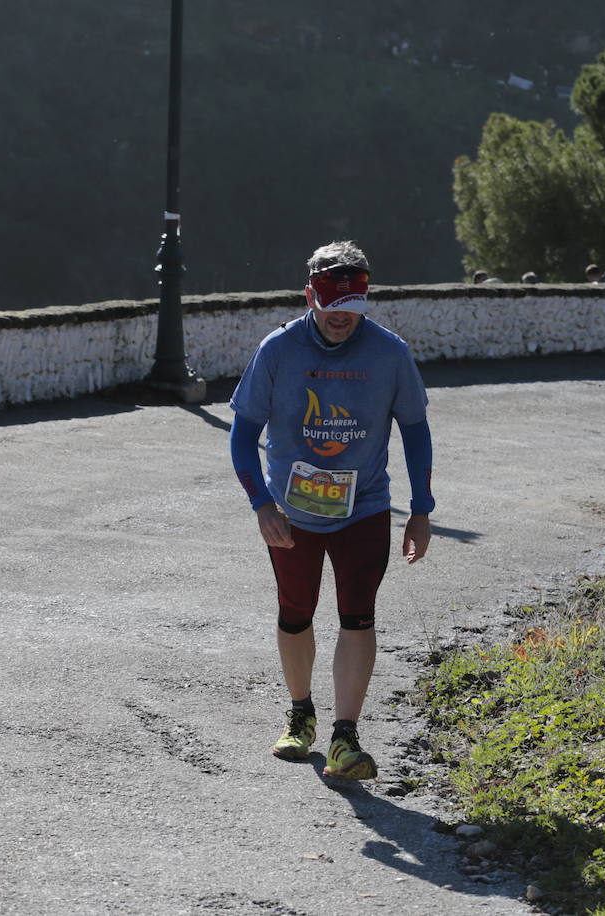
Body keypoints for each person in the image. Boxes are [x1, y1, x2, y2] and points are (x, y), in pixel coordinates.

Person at [229, 240, 435, 781]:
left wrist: (421, 508)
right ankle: (301, 714)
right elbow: (243, 432)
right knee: (295, 612)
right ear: (309, 296)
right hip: (291, 514)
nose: (342, 317)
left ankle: (346, 737)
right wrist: (260, 504)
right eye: (329, 305)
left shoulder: (389, 353)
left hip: (364, 507)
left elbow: (415, 429)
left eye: (354, 307)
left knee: (358, 613)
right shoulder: (278, 350)